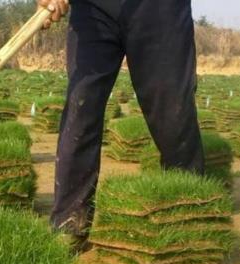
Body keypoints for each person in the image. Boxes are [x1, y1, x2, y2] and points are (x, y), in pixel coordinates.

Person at [38, 0, 205, 248]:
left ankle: (187, 214)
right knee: (81, 104)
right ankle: (69, 223)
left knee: (172, 109)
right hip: (93, 9)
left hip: (159, 9)